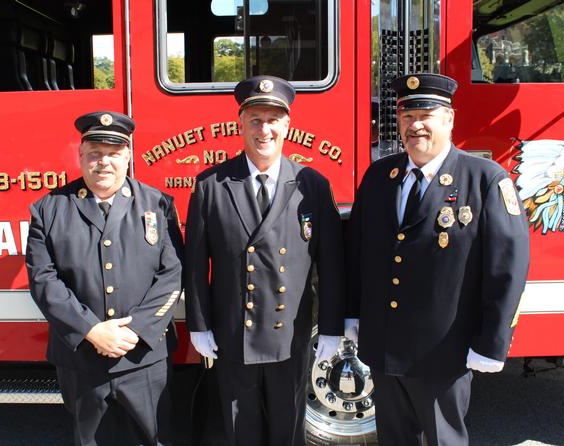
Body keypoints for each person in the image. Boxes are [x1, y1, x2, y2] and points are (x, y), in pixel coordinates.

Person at [346, 73, 530, 445]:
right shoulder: (381, 175)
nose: (415, 125)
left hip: (444, 351)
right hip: (384, 348)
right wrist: (352, 313)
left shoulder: (485, 179)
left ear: (449, 119)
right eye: (406, 116)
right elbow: (357, 253)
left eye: (426, 115)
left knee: (444, 440)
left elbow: (507, 269)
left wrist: (492, 342)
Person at [184, 75, 345, 446]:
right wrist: (200, 325)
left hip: (289, 333)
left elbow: (332, 264)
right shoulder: (212, 185)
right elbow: (195, 265)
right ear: (240, 123)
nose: (264, 130)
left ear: (287, 125)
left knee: (288, 431)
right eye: (255, 119)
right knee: (241, 430)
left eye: (273, 120)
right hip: (233, 333)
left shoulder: (312, 184)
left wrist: (332, 326)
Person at [25, 111, 183, 446]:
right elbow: (43, 279)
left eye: (113, 153)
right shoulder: (48, 209)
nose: (104, 162)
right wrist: (92, 330)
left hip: (143, 355)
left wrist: (136, 330)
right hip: (82, 359)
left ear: (127, 156)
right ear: (80, 156)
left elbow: (173, 274)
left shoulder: (158, 204)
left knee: (154, 438)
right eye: (95, 153)